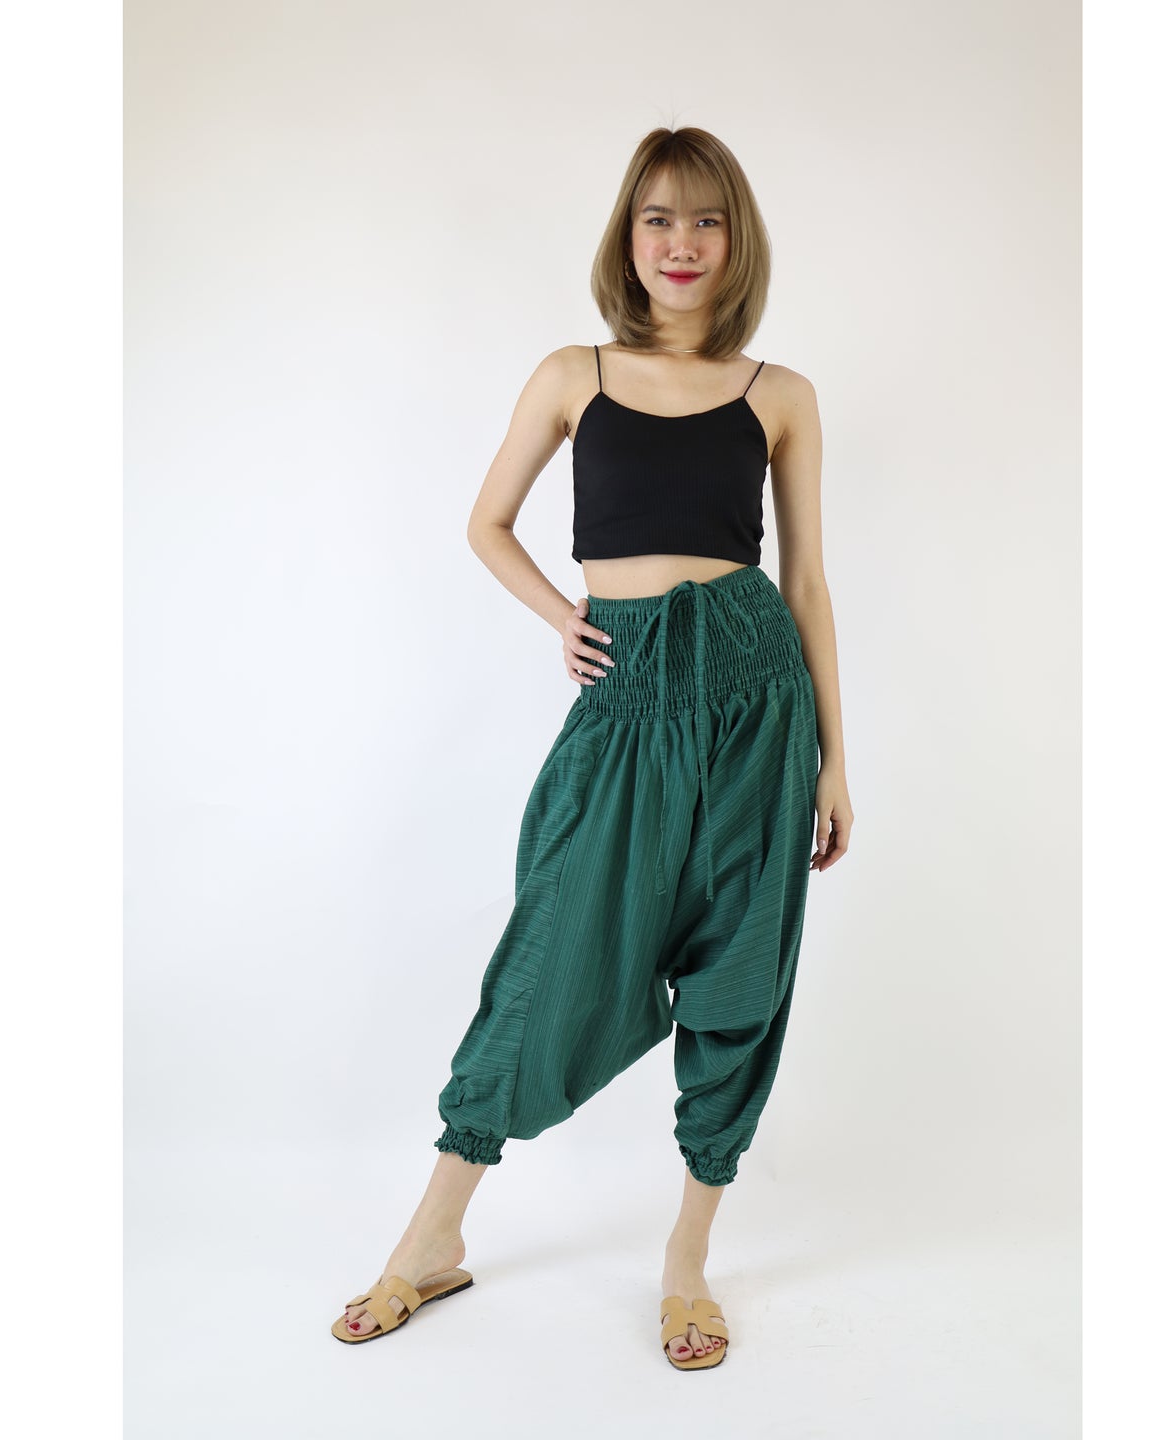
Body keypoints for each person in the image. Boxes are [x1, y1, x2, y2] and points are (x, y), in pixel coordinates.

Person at [331, 126, 853, 1369]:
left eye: (707, 220)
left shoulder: (780, 394)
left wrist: (835, 760)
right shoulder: (575, 373)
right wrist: (562, 616)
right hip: (626, 702)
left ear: (737, 241)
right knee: (548, 954)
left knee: (741, 979)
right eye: (658, 218)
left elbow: (809, 584)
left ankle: (687, 1262)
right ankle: (432, 1240)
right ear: (628, 235)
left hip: (758, 698)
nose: (683, 242)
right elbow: (489, 522)